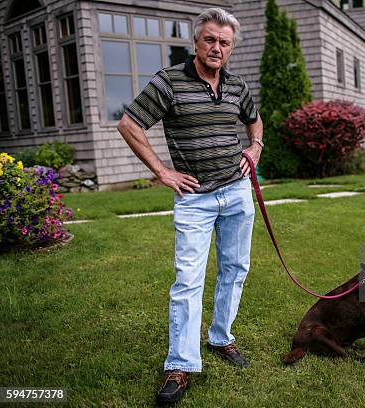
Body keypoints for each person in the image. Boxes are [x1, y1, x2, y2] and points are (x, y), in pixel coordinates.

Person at [116, 7, 263, 405]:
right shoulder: (169, 82)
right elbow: (129, 124)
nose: (217, 47)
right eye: (210, 39)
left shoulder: (237, 86)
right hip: (195, 200)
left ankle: (221, 337)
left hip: (236, 192)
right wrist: (162, 171)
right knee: (188, 281)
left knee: (235, 269)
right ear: (196, 42)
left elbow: (255, 120)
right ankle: (180, 364)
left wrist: (255, 147)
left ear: (231, 48)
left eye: (225, 42)